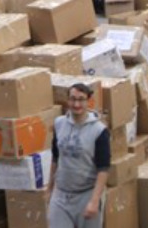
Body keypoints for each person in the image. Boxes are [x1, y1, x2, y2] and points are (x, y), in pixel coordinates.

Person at [48, 83, 110, 228]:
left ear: (88, 101)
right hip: (61, 195)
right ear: (67, 101)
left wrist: (94, 201)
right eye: (72, 99)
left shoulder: (99, 131)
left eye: (81, 99)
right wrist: (49, 189)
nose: (76, 104)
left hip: (86, 194)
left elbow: (103, 169)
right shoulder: (59, 124)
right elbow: (55, 158)